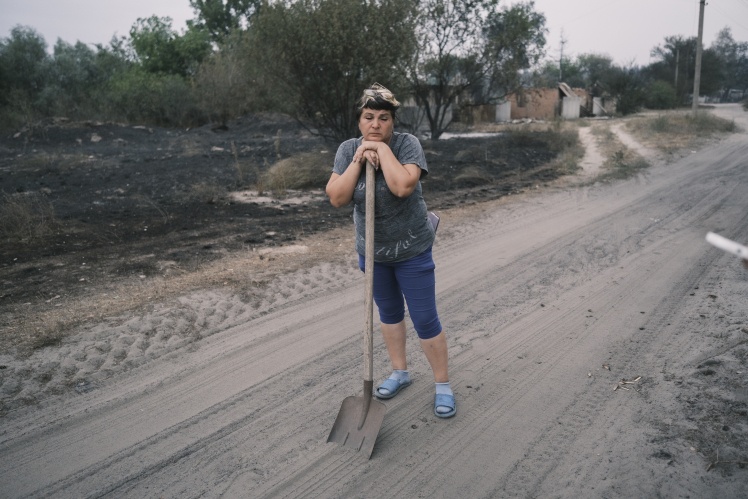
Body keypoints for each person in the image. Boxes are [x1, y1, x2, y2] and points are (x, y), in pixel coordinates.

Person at [325, 83, 455, 418]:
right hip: (374, 253)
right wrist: (359, 158)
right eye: (369, 117)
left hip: (412, 249)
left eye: (384, 118)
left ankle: (442, 385)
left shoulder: (406, 145)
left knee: (425, 318)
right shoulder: (347, 149)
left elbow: (402, 186)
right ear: (359, 120)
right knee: (389, 314)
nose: (376, 124)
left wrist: (381, 151)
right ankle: (400, 372)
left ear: (393, 122)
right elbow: (337, 197)